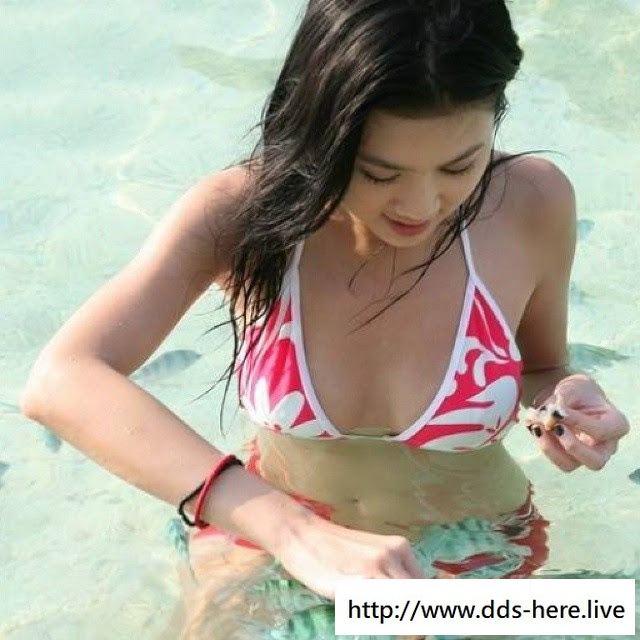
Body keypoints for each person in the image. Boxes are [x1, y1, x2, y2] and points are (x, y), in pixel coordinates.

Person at [21, 0, 630, 638]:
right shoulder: (244, 214)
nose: (422, 204)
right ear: (320, 130)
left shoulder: (531, 201)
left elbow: (541, 367)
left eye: (459, 166)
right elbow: (61, 379)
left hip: (475, 555)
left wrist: (563, 405)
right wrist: (295, 533)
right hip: (268, 548)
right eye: (379, 173)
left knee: (613, 612)